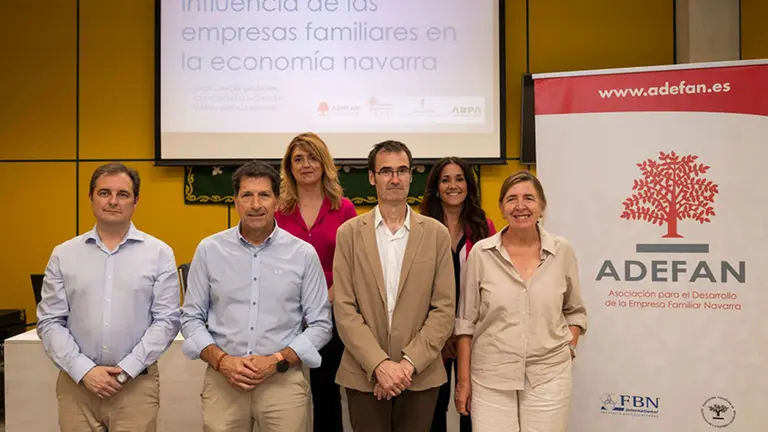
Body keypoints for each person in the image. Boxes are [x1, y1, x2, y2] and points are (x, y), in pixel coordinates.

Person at [181, 160, 333, 432]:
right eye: (247, 195)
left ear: (277, 201)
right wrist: (223, 361)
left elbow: (321, 324)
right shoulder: (209, 250)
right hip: (224, 380)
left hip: (283, 383)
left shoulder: (302, 254)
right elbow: (190, 318)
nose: (255, 204)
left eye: (264, 195)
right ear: (235, 201)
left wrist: (276, 361)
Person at [36, 162, 181, 432]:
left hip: (136, 385)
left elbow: (167, 321)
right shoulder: (63, 254)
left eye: (122, 194)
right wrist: (84, 371)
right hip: (77, 385)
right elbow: (50, 321)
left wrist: (126, 370)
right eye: (104, 193)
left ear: (136, 201)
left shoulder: (160, 253)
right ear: (91, 197)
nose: (113, 201)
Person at [333, 140, 456, 432]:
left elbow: (444, 309)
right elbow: (344, 308)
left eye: (402, 170)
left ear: (411, 175)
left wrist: (406, 366)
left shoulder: (436, 234)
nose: (395, 178)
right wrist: (380, 365)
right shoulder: (349, 234)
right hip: (364, 374)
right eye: (386, 171)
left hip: (419, 375)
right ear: (372, 177)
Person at [454, 171, 587, 432]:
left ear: (542, 206)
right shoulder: (481, 254)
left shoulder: (562, 251)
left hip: (548, 376)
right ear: (501, 207)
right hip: (491, 378)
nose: (520, 206)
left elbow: (575, 311)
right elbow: (466, 322)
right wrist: (463, 381)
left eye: (529, 198)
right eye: (511, 199)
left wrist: (568, 348)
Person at [275, 132, 357, 432]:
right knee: (283, 391)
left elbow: (352, 263)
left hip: (331, 312)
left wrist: (325, 302)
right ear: (289, 167)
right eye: (298, 159)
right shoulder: (277, 210)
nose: (306, 165)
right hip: (286, 313)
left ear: (324, 164)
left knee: (326, 392)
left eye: (312, 158)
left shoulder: (344, 208)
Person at [420, 157, 496, 432]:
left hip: (474, 335)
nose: (453, 185)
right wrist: (441, 335)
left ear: (469, 185)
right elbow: (416, 287)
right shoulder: (422, 228)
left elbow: (492, 283)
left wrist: (462, 333)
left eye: (459, 178)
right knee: (433, 412)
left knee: (472, 410)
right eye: (445, 180)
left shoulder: (484, 227)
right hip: (431, 337)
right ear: (436, 188)